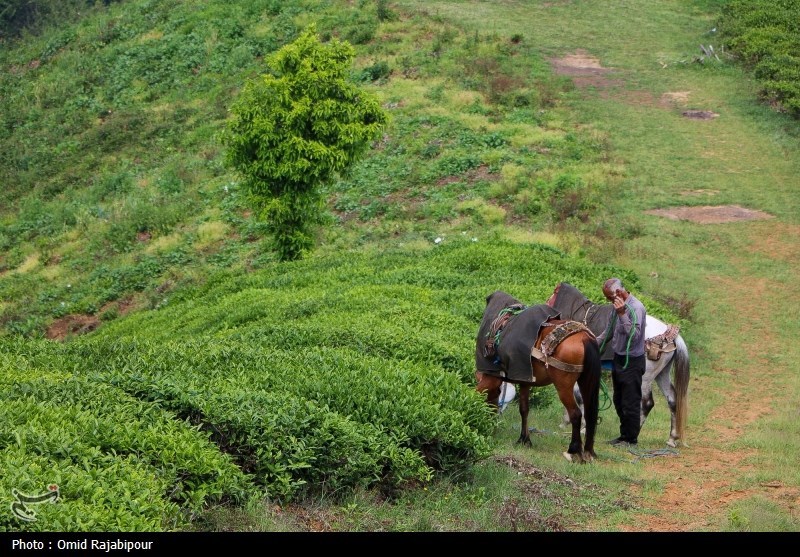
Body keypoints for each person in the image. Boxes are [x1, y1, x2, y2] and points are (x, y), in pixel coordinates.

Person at [595, 278, 647, 447]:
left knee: (630, 402)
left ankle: (631, 439)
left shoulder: (637, 308)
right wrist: (591, 344)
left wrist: (622, 314)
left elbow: (635, 336)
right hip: (618, 358)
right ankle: (624, 435)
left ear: (618, 293)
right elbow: (608, 331)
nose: (609, 301)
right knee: (618, 400)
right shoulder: (615, 307)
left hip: (632, 362)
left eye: (609, 298)